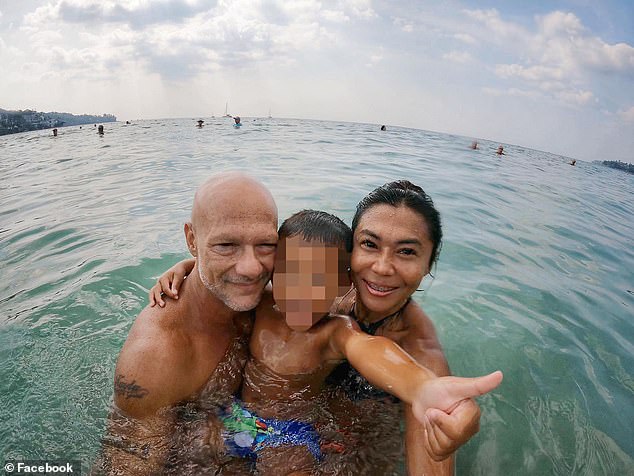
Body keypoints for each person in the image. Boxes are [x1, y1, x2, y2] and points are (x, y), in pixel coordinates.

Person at [151, 180, 494, 475]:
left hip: (314, 438)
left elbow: (371, 349)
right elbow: (247, 271)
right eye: (370, 245)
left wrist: (425, 392)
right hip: (248, 418)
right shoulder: (305, 293)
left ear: (429, 264)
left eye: (406, 251)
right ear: (350, 256)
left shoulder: (399, 344)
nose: (382, 267)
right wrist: (192, 267)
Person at [97, 173, 279, 474]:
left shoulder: (263, 300)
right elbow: (127, 467)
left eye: (265, 245)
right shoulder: (154, 358)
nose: (251, 268)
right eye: (226, 245)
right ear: (192, 240)